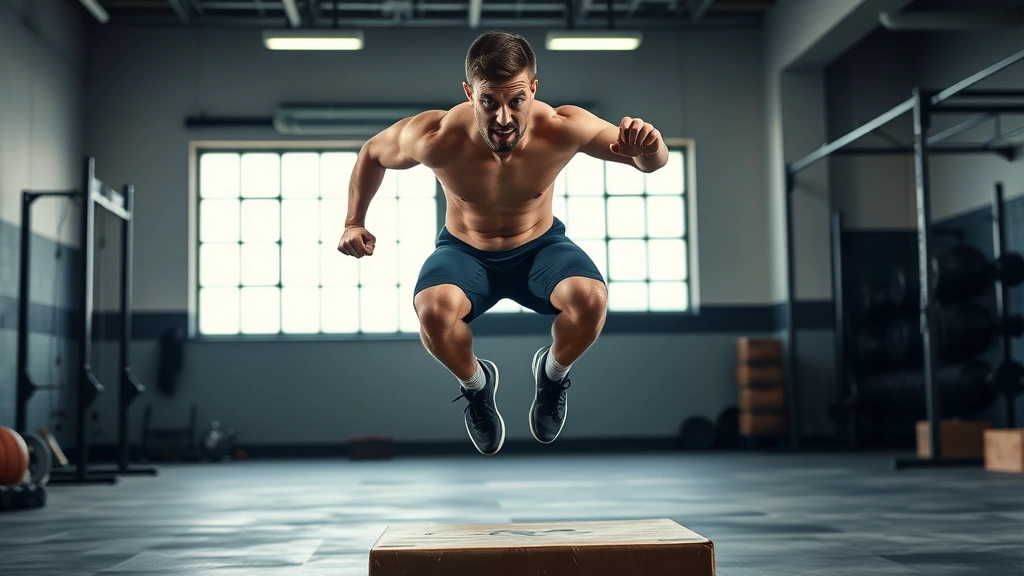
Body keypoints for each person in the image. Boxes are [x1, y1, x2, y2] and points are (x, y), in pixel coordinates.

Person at [338, 31, 668, 455]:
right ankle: (477, 387)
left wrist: (650, 146)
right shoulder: (436, 135)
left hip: (540, 249)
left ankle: (551, 374)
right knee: (433, 312)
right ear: (469, 93)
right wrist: (353, 221)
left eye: (516, 101)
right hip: (464, 253)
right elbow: (372, 153)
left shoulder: (563, 127)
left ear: (533, 89)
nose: (503, 119)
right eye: (489, 102)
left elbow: (649, 162)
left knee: (591, 300)